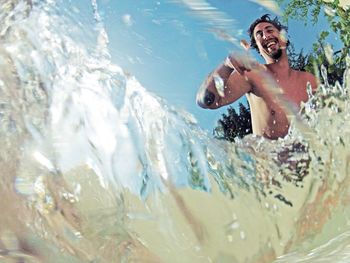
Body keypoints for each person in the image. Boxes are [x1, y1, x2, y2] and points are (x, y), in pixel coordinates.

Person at [196, 14, 318, 140]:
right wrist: (226, 65)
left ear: (284, 39)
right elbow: (206, 101)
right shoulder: (252, 74)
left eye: (270, 30)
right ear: (259, 49)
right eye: (259, 35)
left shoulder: (309, 81)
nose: (266, 36)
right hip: (270, 159)